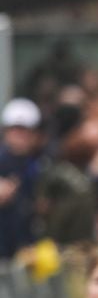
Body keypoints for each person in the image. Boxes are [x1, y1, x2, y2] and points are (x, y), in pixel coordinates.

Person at [0, 97, 44, 259]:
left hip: (29, 248)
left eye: (25, 131)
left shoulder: (39, 163)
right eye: (15, 130)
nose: (19, 135)